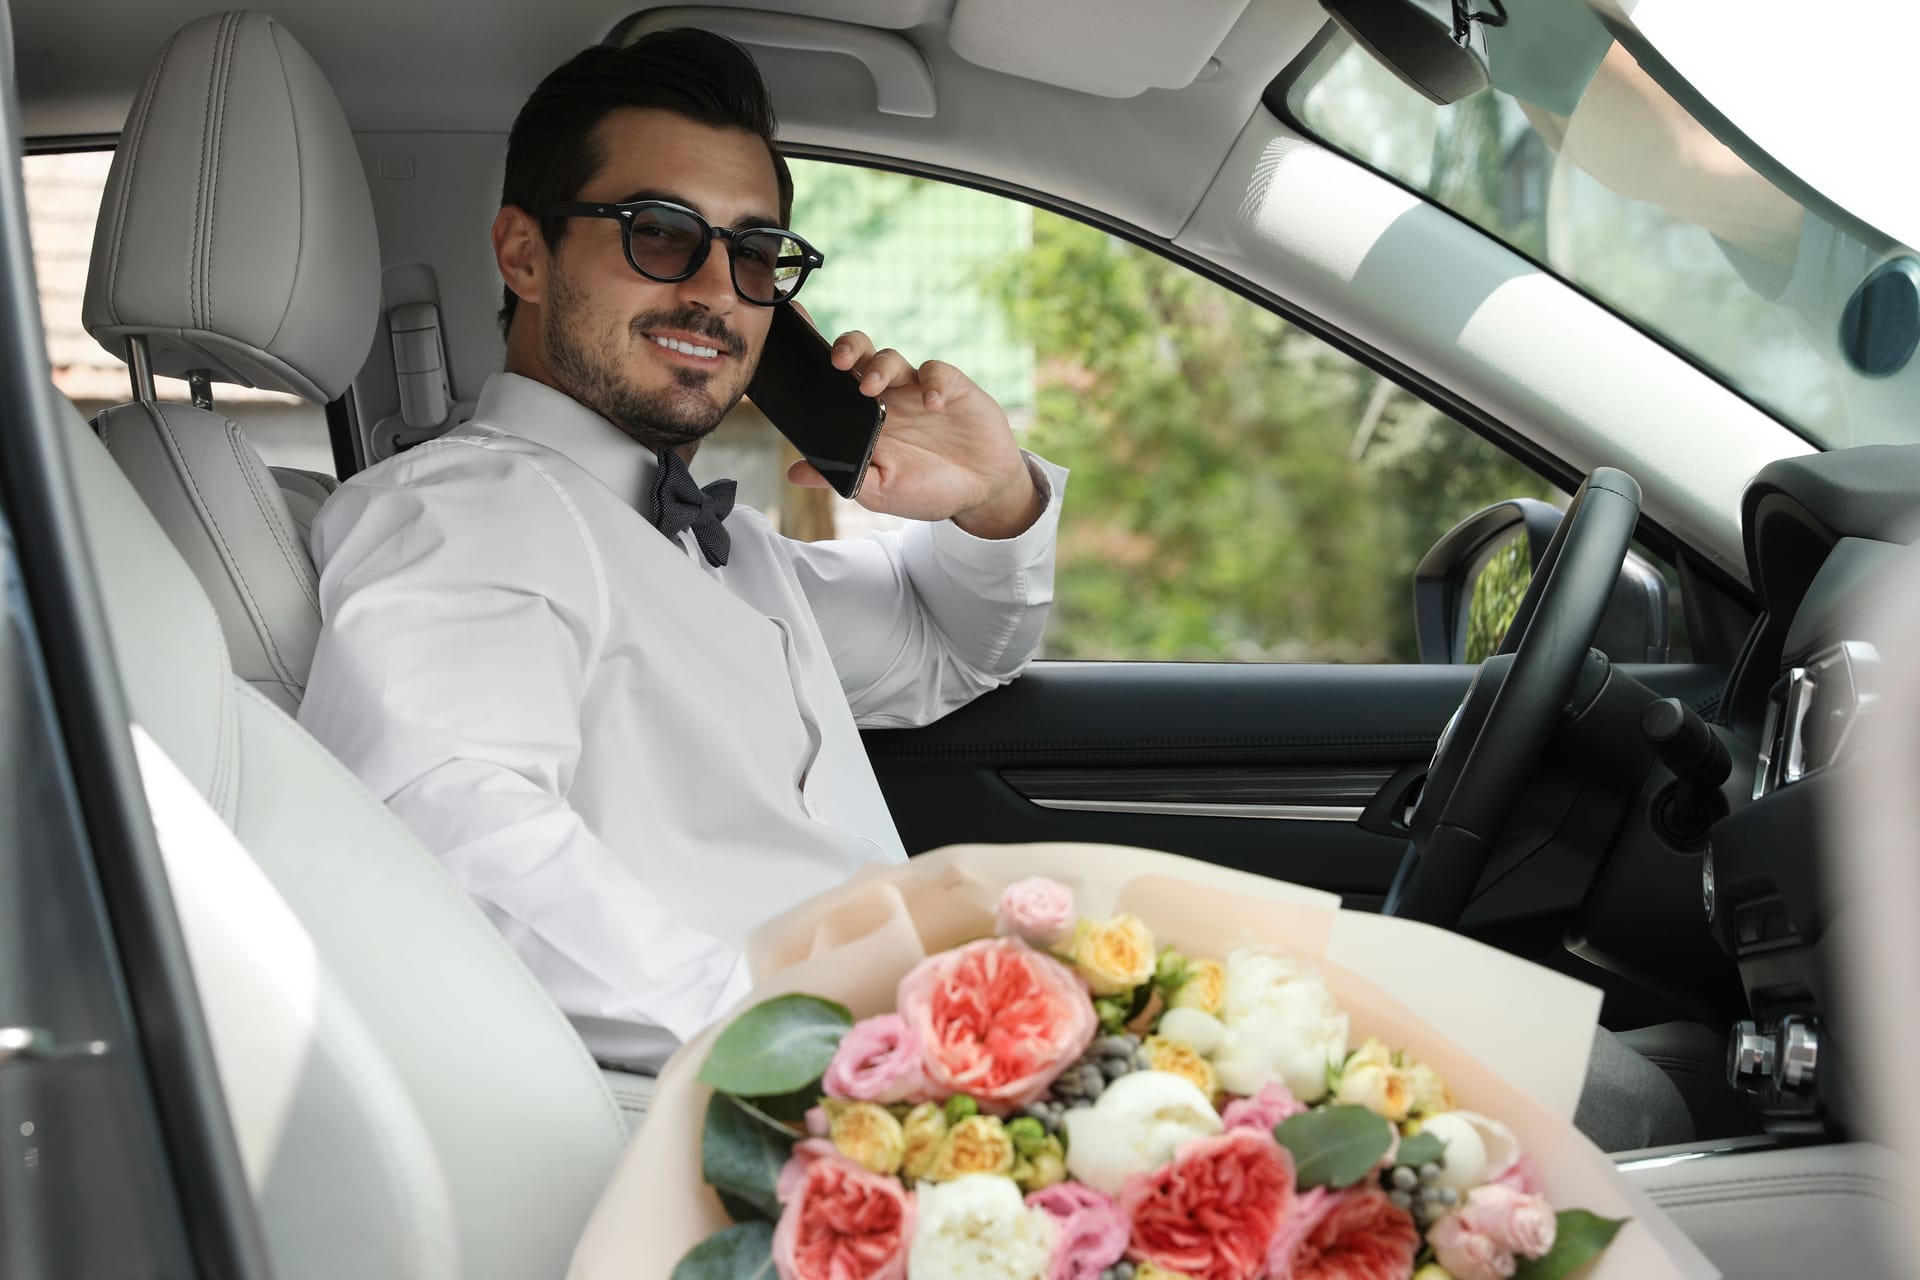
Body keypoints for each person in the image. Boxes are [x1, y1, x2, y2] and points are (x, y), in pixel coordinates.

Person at [297, 29, 1066, 1076]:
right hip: (765, 1111)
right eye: (660, 233)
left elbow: (952, 648)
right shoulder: (472, 510)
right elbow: (455, 843)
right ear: (524, 253)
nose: (715, 289)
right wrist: (828, 1050)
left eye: (754, 254)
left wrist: (993, 494)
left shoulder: (725, 540)